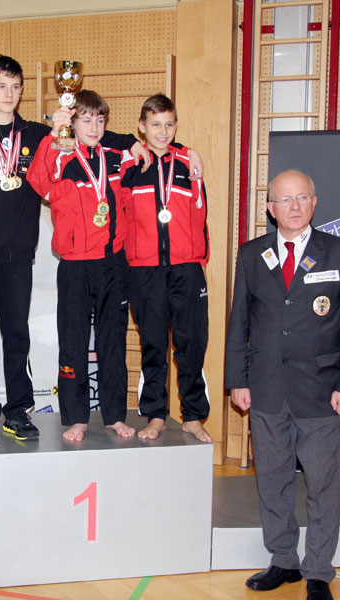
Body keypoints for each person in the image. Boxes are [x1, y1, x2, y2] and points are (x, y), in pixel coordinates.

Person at [0, 55, 182, 444]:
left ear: (22, 90)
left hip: (64, 260)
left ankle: (34, 412)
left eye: (15, 86)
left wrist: (136, 143)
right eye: (1, 86)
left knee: (46, 338)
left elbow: (110, 135)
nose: (8, 93)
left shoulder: (50, 135)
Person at [225, 170, 340, 600]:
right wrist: (237, 380)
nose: (294, 207)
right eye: (284, 200)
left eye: (302, 198)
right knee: (273, 481)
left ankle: (319, 571)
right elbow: (239, 322)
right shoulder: (251, 254)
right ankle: (283, 560)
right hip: (266, 389)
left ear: (314, 202)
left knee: (323, 487)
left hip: (323, 392)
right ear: (270, 208)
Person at [26, 90, 136, 442]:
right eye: (86, 120)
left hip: (113, 264)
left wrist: (184, 152)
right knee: (73, 342)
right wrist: (53, 133)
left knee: (112, 342)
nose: (94, 127)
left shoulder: (117, 157)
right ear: (72, 123)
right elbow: (37, 181)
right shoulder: (60, 157)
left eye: (100, 120)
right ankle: (76, 417)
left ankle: (114, 415)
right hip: (75, 265)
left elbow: (156, 149)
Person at [120, 94, 212, 442]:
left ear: (176, 126)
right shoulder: (129, 167)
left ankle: (193, 416)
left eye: (169, 124)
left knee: (192, 343)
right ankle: (156, 414)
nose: (162, 131)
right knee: (153, 345)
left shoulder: (188, 164)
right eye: (155, 124)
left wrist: (197, 260)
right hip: (144, 269)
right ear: (141, 127)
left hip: (186, 268)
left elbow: (200, 216)